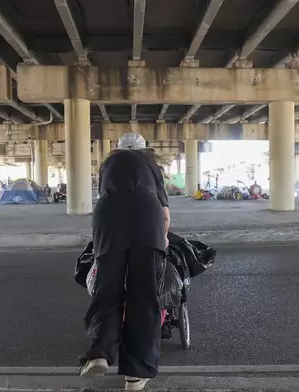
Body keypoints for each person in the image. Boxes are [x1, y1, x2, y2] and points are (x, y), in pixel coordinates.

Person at [80, 132, 170, 391]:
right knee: (144, 296)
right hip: (146, 223)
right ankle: (135, 375)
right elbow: (165, 214)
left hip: (109, 224)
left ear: (116, 149)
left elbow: (104, 198)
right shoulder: (150, 165)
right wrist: (161, 237)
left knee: (107, 291)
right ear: (145, 149)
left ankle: (100, 352)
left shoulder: (108, 164)